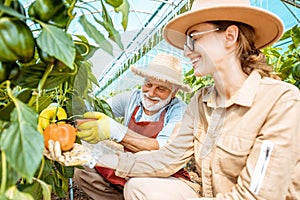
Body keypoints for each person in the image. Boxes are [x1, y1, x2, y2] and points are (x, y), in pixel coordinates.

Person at [45, 0, 300, 199]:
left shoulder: (281, 102)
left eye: (194, 37)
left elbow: (256, 196)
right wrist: (88, 156)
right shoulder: (201, 101)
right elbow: (166, 159)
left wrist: (117, 134)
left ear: (230, 37)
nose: (187, 50)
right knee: (141, 189)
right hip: (207, 193)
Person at [73, 52, 192, 199]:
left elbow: (163, 148)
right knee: (84, 170)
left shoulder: (178, 111)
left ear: (174, 92)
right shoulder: (132, 98)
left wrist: (119, 133)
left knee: (137, 184)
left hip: (162, 173)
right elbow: (95, 110)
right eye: (148, 84)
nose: (151, 92)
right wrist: (69, 111)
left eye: (161, 88)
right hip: (130, 165)